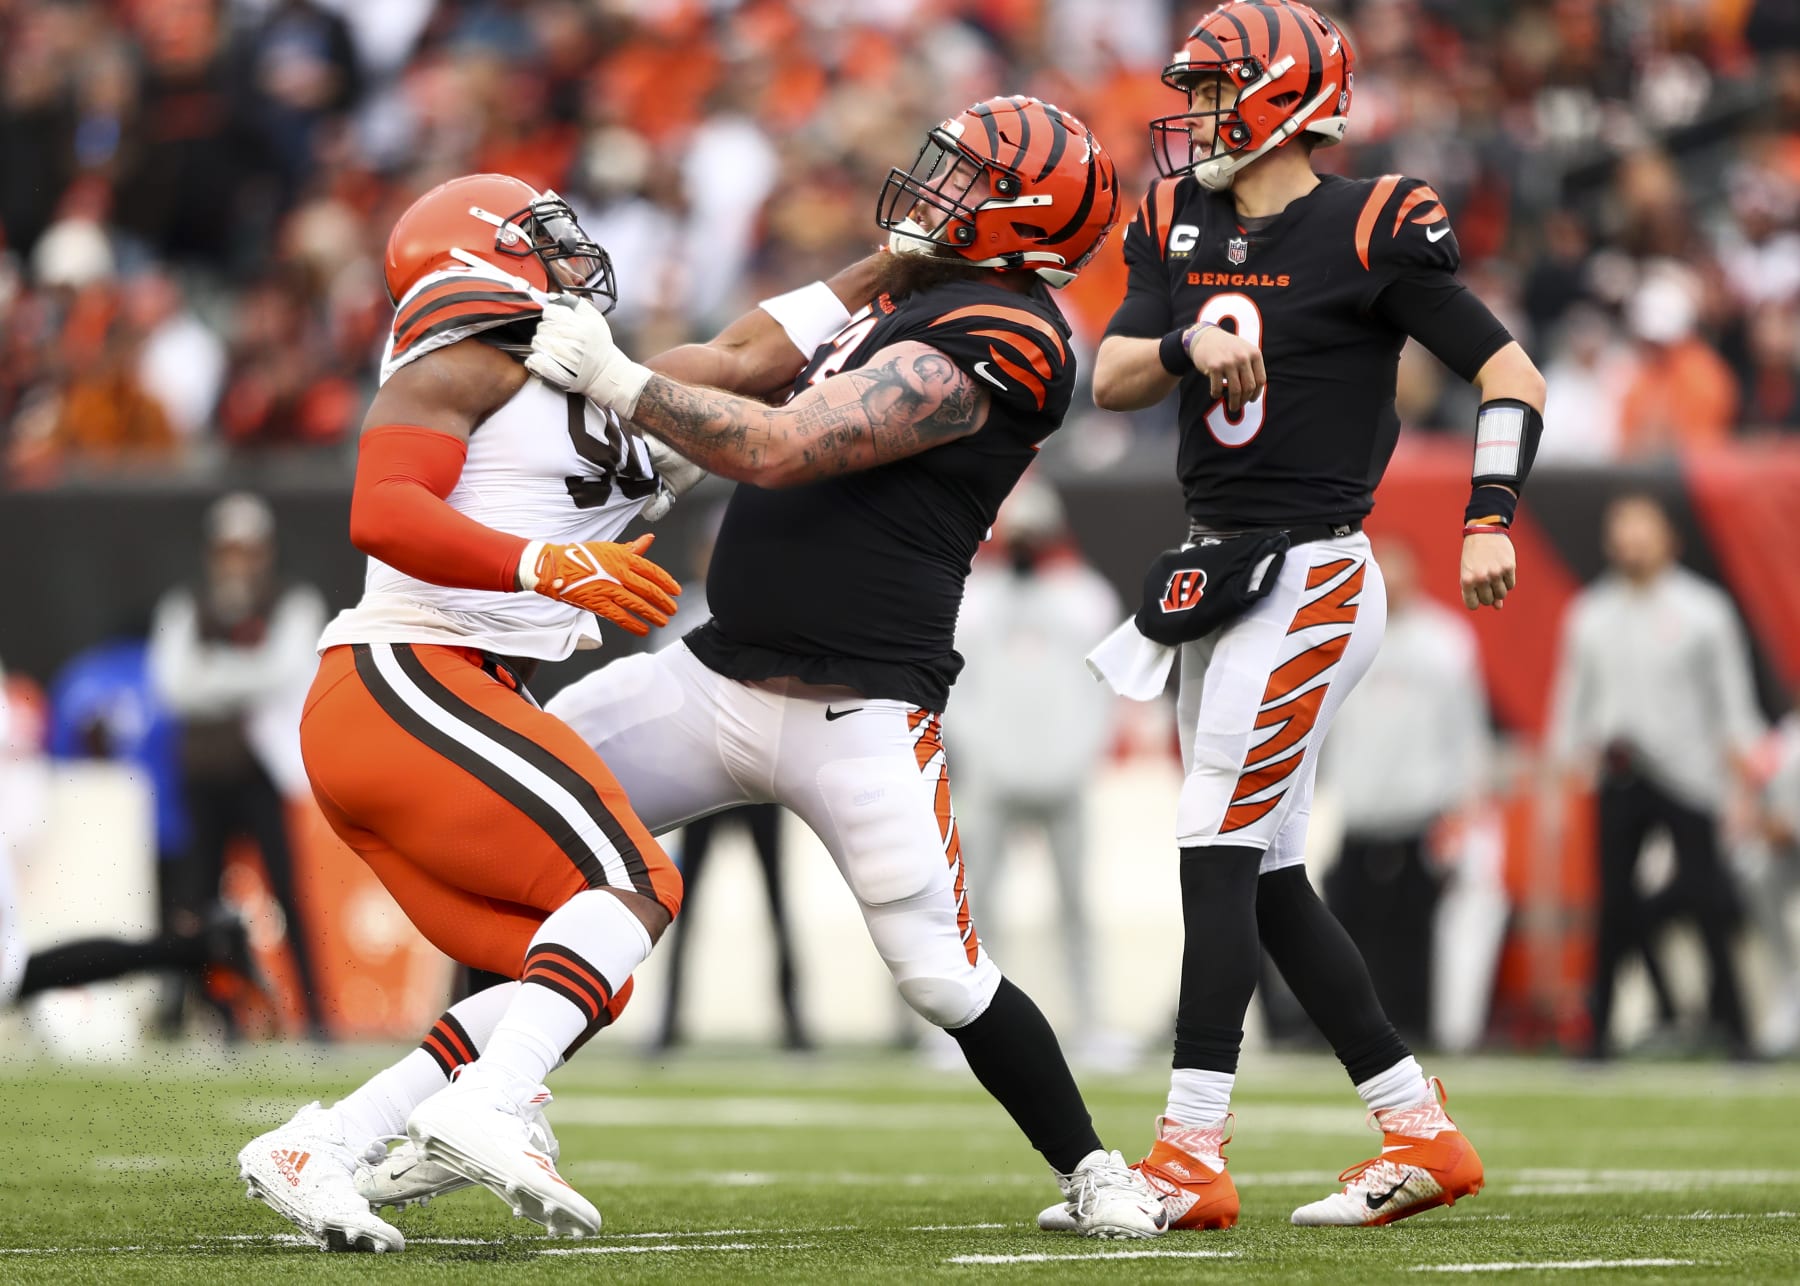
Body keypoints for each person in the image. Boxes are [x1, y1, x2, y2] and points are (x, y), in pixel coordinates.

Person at [510, 95, 1167, 1238]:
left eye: (966, 180)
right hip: (713, 677)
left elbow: (779, 445)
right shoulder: (907, 289)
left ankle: (1097, 1167)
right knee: (514, 804)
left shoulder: (1015, 337)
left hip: (858, 707)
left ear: (1022, 218)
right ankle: (482, 1098)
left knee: (944, 977)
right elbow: (732, 360)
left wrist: (619, 381)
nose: (934, 190)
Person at [236, 172, 886, 1251]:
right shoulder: (460, 347)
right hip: (406, 676)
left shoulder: (603, 380)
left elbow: (740, 359)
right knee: (634, 882)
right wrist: (544, 562)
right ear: (477, 258)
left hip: (440, 701)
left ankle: (327, 1143)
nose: (569, 256)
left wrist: (898, 266)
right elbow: (381, 507)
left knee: (577, 967)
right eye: (539, 238)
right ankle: (492, 1107)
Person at [1076, 2, 1544, 1230]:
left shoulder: (1375, 219)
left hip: (1315, 573)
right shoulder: (1179, 220)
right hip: (1214, 572)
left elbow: (1510, 373)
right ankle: (1420, 1131)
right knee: (1268, 871)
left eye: (1220, 91)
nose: (1199, 118)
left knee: (1215, 840)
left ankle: (1186, 1152)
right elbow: (1111, 375)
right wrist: (1187, 341)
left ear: (1286, 98)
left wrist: (1489, 513)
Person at [1546, 493, 1761, 1060]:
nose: (1632, 541)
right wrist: (1565, 763)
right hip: (1619, 774)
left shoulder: (1704, 610)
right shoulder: (1590, 612)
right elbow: (1573, 702)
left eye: (1642, 529)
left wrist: (1743, 780)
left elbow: (1732, 703)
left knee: (1709, 900)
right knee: (1612, 904)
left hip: (1689, 774)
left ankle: (1736, 1029)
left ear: (1669, 537)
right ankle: (1597, 1036)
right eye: (1623, 529)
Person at [948, 476, 1127, 1065]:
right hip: (993, 779)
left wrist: (1074, 758)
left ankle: (1090, 1023)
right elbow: (955, 690)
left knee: (1076, 904)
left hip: (1063, 778)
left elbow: (1105, 693)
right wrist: (983, 756)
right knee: (978, 906)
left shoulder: (1085, 597)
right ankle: (962, 1028)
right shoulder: (972, 599)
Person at [148, 492, 327, 1035]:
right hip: (202, 775)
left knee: (288, 894)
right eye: (228, 549)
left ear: (266, 551)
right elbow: (172, 686)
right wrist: (246, 675)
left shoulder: (293, 602)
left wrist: (215, 672)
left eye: (248, 549)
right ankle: (204, 1016)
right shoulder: (186, 604)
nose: (238, 561)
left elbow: (287, 672)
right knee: (196, 900)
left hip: (263, 773)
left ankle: (318, 1015)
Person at [1316, 537, 1491, 1047]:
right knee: (1347, 922)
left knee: (1413, 928)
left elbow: (1466, 727)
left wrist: (1462, 798)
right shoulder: (1346, 638)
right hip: (1360, 806)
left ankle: (1412, 1025)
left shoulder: (1445, 641)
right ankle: (1347, 1026)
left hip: (1421, 810)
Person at [650, 511, 809, 1053]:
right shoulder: (679, 614)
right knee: (681, 901)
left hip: (758, 779)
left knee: (777, 898)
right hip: (701, 781)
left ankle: (794, 1021)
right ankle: (669, 1021)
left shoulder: (776, 614)